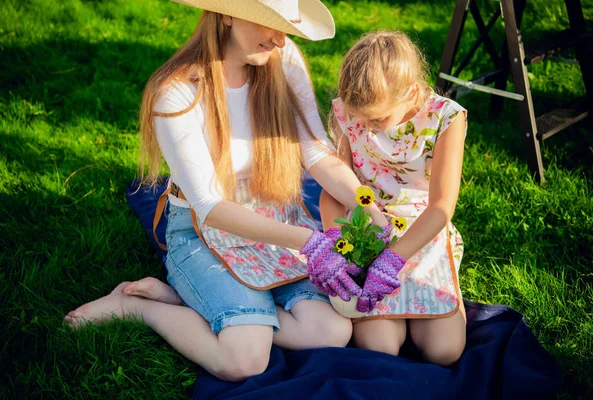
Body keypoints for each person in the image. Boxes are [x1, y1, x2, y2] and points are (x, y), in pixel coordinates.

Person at [64, 0, 389, 382]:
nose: (281, 39)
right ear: (229, 12)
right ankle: (138, 307)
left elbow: (316, 151)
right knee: (244, 361)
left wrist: (370, 208)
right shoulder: (177, 92)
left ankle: (207, 305)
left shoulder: (281, 60)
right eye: (270, 24)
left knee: (331, 331)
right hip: (208, 232)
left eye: (287, 27)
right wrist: (309, 243)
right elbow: (209, 205)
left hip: (278, 219)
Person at [320, 31, 468, 366]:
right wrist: (337, 243)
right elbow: (333, 193)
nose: (367, 127)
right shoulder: (351, 112)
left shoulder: (444, 118)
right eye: (361, 118)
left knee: (443, 351)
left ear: (412, 92)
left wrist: (393, 260)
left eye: (377, 119)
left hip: (422, 232)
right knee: (380, 347)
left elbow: (441, 207)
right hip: (365, 231)